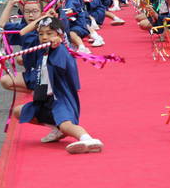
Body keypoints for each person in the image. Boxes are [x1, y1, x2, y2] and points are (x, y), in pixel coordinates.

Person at [12, 16, 104, 154]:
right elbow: (23, 34)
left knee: (67, 125)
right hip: (44, 100)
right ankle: (58, 129)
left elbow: (62, 64)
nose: (44, 37)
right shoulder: (40, 50)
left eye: (49, 33)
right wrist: (42, 18)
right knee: (19, 111)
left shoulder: (61, 50)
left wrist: (58, 43)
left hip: (59, 100)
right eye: (41, 34)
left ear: (59, 35)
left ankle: (87, 139)